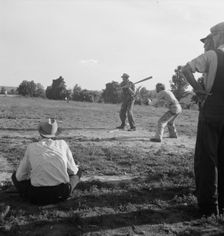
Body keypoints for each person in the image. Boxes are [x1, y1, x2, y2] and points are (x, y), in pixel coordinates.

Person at [181, 22, 224, 216]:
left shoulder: (212, 55)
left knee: (207, 158)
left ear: (218, 36)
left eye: (212, 36)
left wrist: (198, 90)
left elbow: (186, 69)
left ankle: (208, 206)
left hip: (212, 110)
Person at [11, 118, 81, 205]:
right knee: (78, 172)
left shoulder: (31, 147)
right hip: (61, 194)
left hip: (37, 196)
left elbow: (19, 176)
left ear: (40, 132)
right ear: (55, 133)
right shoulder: (62, 144)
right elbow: (73, 171)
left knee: (14, 176)